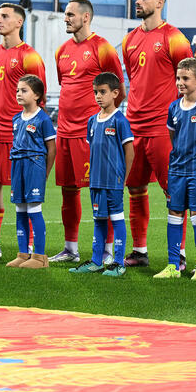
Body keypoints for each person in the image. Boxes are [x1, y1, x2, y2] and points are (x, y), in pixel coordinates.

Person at [120, 0, 193, 267]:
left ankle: (181, 253)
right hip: (134, 126)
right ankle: (139, 250)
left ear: (159, 2)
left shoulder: (175, 38)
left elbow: (190, 81)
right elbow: (134, 80)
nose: (138, 1)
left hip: (164, 128)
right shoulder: (129, 40)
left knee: (173, 190)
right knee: (135, 188)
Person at [50, 0, 124, 264]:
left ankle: (107, 250)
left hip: (92, 134)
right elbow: (66, 87)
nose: (66, 18)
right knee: (68, 191)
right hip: (65, 132)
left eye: (70, 14)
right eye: (65, 14)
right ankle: (70, 248)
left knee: (100, 191)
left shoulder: (102, 48)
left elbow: (118, 89)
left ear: (86, 16)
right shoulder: (62, 51)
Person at [0, 3, 46, 258]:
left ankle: (29, 246)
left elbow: (39, 97)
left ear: (19, 22)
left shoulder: (30, 56)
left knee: (25, 195)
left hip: (21, 139)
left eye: (5, 16)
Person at [153, 58, 196, 280]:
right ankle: (173, 265)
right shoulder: (173, 107)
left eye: (185, 78)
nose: (180, 83)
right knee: (174, 213)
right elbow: (174, 136)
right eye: (178, 78)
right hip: (176, 171)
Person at [70, 72, 134, 277]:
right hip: (96, 180)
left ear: (115, 93)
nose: (98, 96)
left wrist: (123, 178)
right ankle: (97, 261)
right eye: (96, 92)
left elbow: (130, 152)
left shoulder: (120, 121)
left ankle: (118, 262)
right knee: (98, 219)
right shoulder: (92, 121)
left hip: (113, 180)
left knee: (116, 219)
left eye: (103, 92)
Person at [7, 74, 56, 268]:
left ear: (36, 95)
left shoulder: (43, 119)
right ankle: (23, 254)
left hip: (35, 165)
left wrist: (45, 171)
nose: (19, 94)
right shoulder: (16, 119)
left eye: (24, 90)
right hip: (18, 164)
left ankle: (40, 257)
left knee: (34, 209)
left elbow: (51, 147)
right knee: (20, 209)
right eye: (18, 90)